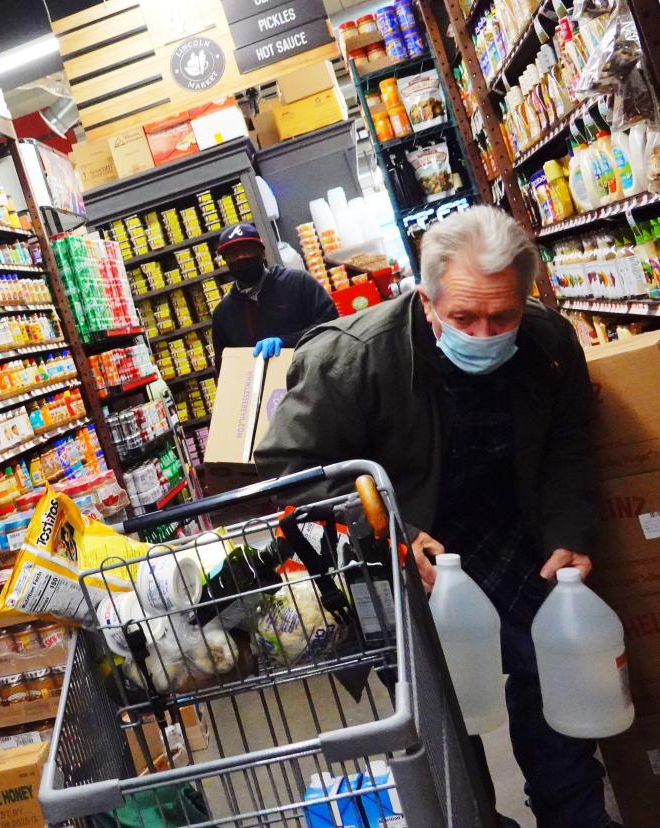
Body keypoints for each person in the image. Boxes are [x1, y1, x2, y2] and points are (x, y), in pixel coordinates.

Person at [254, 206, 616, 828]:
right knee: (443, 711)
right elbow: (290, 468)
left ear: (526, 299)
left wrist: (567, 535)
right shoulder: (353, 359)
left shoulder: (548, 344)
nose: (484, 332)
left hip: (511, 533)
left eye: (502, 316)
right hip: (403, 552)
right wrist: (390, 530)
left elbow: (567, 445)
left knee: (549, 670)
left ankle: (573, 813)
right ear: (426, 303)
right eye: (464, 317)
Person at [209, 222, 337, 366]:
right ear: (226, 261)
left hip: (313, 375)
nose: (241, 257)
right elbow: (225, 367)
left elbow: (331, 322)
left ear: (262, 252)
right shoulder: (223, 314)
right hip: (264, 387)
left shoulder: (298, 282)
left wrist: (286, 341)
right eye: (233, 254)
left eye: (247, 250)